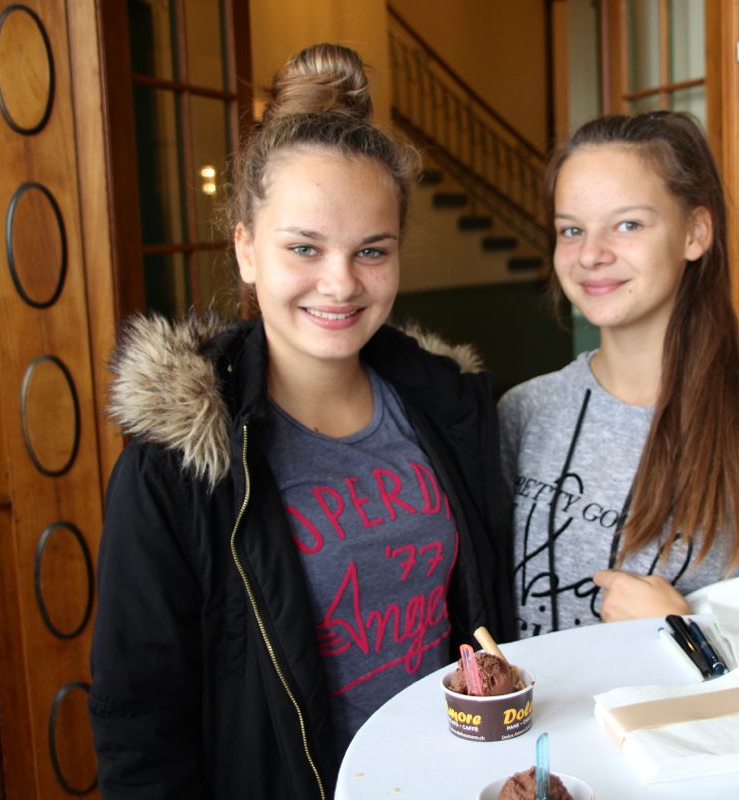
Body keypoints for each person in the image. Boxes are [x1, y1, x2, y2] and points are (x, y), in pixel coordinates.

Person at [89, 44, 512, 799]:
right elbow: (141, 721)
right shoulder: (179, 467)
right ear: (246, 248)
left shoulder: (450, 411)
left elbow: (483, 624)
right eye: (303, 248)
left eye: (371, 251)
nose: (341, 283)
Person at [499, 111, 739, 637]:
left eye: (628, 224)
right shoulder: (524, 412)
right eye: (571, 229)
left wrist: (684, 628)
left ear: (695, 233)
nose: (591, 254)